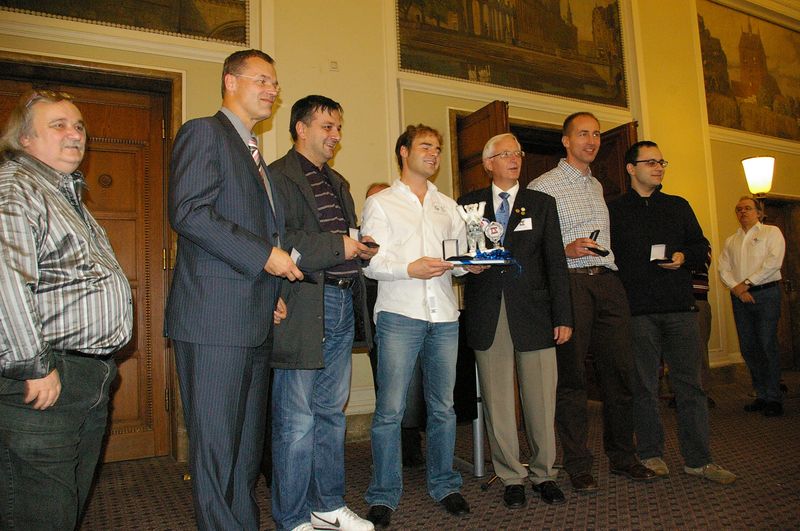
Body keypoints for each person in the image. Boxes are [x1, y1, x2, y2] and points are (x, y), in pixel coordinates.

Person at [165, 49, 302, 530]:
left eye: (274, 83)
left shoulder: (254, 154)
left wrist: (270, 292)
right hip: (213, 321)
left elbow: (250, 227)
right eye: (261, 79)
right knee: (218, 450)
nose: (272, 90)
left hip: (252, 318)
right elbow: (189, 213)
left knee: (244, 454)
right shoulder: (205, 132)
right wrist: (265, 257)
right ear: (229, 81)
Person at [0, 89, 133, 529]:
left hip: (84, 375)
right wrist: (33, 366)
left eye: (78, 126)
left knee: (66, 504)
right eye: (58, 125)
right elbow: (6, 280)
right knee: (41, 512)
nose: (74, 134)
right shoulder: (15, 187)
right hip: (44, 379)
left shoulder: (63, 193)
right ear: (24, 138)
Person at [528, 112, 656, 493]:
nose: (592, 140)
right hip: (570, 283)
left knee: (621, 373)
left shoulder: (599, 185)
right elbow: (531, 247)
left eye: (597, 134)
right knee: (572, 378)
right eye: (583, 134)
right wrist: (565, 249)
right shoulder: (541, 186)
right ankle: (578, 464)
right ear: (566, 141)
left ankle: (623, 456)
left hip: (608, 282)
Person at [268, 95, 376, 531]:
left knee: (332, 413)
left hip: (343, 301)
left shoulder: (339, 182)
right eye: (327, 127)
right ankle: (293, 517)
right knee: (296, 418)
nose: (335, 135)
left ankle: (327, 505)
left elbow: (341, 237)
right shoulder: (277, 176)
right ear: (301, 128)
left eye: (338, 128)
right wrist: (339, 246)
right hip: (304, 304)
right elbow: (279, 240)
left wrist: (360, 247)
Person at [361, 124, 476, 527]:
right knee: (390, 410)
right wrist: (409, 268)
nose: (434, 154)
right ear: (404, 152)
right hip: (399, 316)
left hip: (444, 316)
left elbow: (458, 259)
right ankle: (383, 493)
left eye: (438, 149)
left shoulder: (449, 206)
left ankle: (444, 484)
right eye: (426, 146)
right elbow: (371, 263)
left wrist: (470, 265)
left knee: (443, 408)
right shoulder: (381, 203)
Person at [609, 140, 736, 484]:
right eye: (650, 162)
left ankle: (699, 460)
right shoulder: (614, 210)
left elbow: (701, 246)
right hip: (638, 312)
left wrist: (683, 257)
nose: (658, 167)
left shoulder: (678, 206)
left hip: (680, 308)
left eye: (661, 162)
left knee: (691, 387)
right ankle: (650, 454)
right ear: (631, 168)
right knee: (644, 387)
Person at [459, 133, 573, 507]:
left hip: (536, 313)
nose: (514, 159)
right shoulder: (468, 204)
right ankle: (511, 476)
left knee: (541, 398)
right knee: (498, 401)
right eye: (505, 153)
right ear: (488, 163)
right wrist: (466, 267)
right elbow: (460, 255)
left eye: (518, 153)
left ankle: (544, 473)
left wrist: (563, 315)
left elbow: (556, 263)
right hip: (489, 312)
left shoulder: (541, 203)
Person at [363, 182, 427, 469]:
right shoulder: (359, 239)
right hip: (375, 321)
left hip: (407, 314)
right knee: (387, 390)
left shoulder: (405, 231)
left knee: (413, 385)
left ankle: (411, 448)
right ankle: (389, 456)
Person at [718, 196, 786, 417]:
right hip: (740, 298)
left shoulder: (771, 232)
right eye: (738, 209)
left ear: (759, 212)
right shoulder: (731, 240)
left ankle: (773, 397)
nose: (742, 212)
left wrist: (747, 284)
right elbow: (723, 268)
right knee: (748, 347)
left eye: (747, 208)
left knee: (766, 345)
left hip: (766, 294)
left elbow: (773, 262)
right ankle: (761, 394)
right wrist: (738, 289)